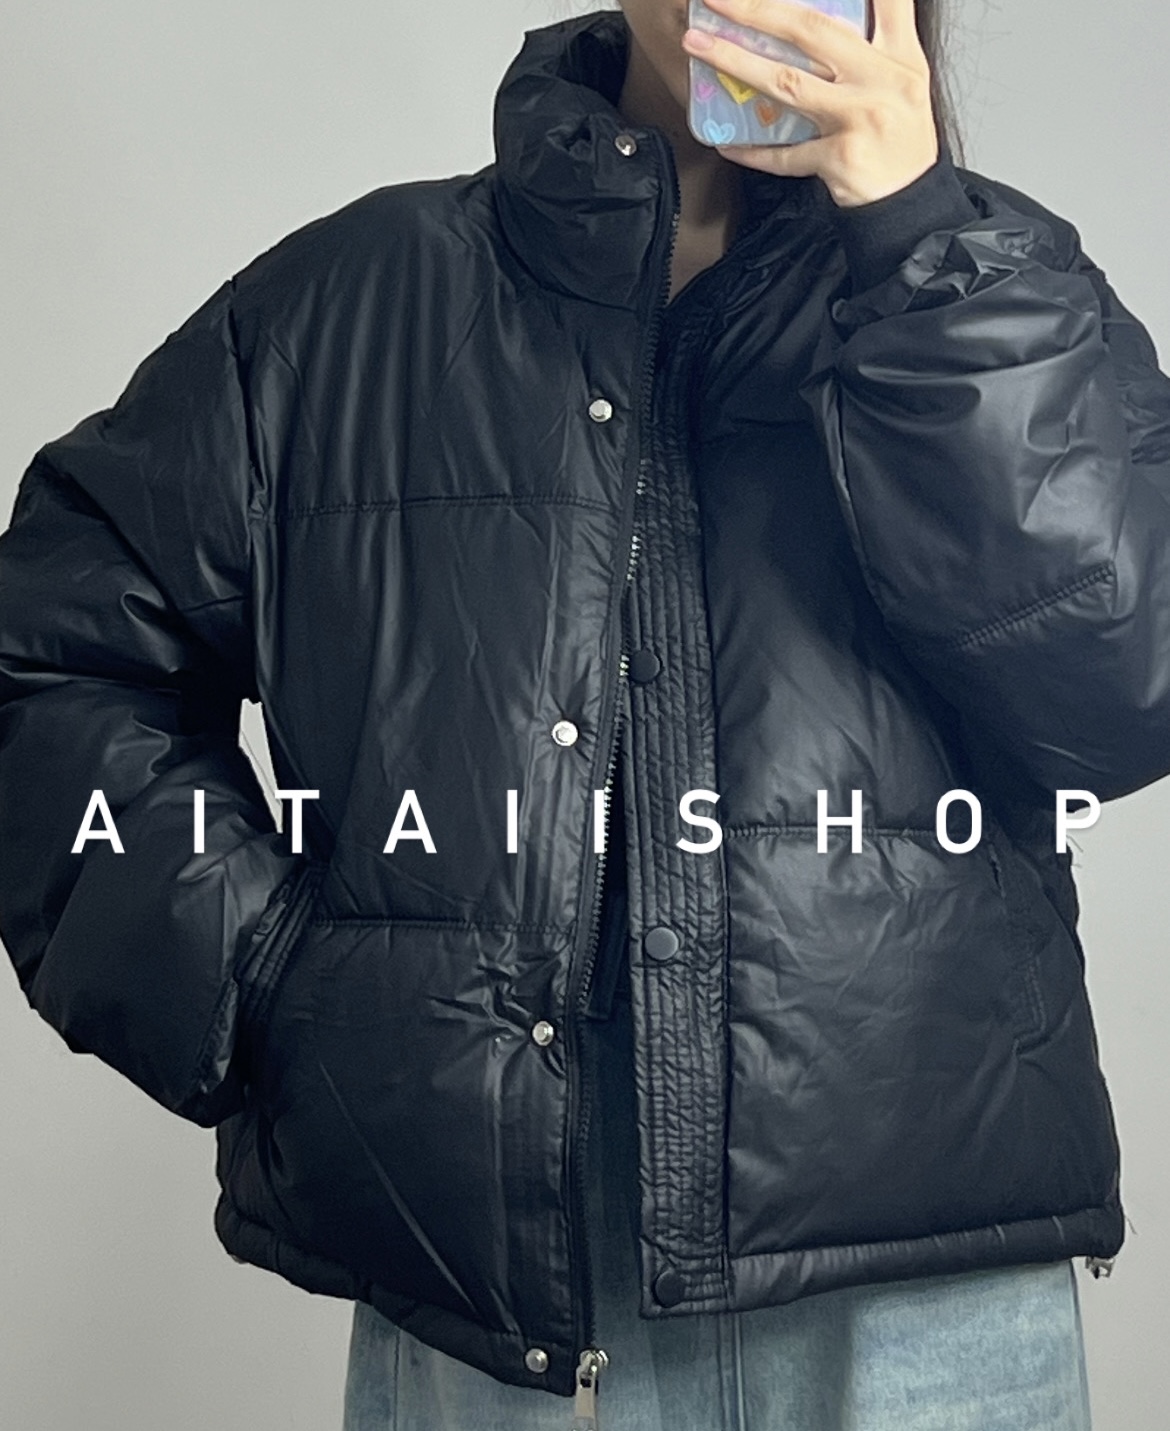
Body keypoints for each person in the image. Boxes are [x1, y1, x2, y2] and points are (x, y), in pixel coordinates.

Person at [1, 0, 1168, 1426]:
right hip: (503, 1294)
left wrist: (920, 244)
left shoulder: (1001, 287)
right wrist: (263, 980)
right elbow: (49, 653)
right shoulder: (348, 302)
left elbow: (1118, 689)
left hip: (926, 1291)